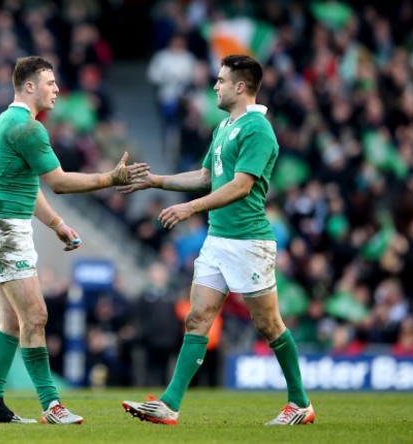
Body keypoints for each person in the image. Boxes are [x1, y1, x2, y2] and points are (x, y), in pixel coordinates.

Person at [119, 54, 314, 426]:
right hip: (218, 240)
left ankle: (300, 403)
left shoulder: (258, 129)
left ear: (241, 86)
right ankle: (169, 404)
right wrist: (156, 180)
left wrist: (190, 209)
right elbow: (207, 175)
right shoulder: (224, 126)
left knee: (268, 324)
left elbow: (241, 186)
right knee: (197, 318)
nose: (215, 86)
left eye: (221, 80)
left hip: (249, 241)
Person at [0, 55, 147, 425]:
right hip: (6, 229)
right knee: (36, 316)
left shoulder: (6, 121)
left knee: (12, 324)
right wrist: (110, 179)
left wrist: (57, 224)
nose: (56, 89)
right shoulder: (29, 128)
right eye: (50, 82)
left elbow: (28, 186)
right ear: (29, 86)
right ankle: (52, 405)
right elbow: (59, 182)